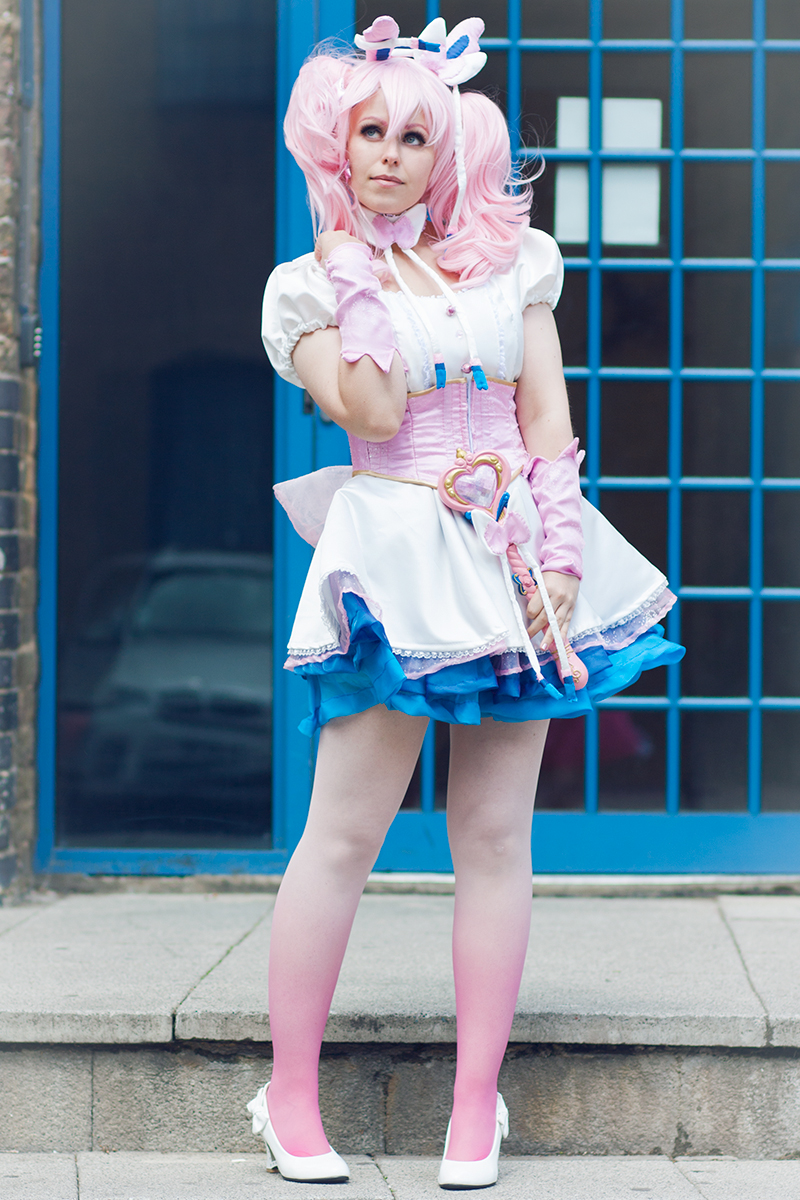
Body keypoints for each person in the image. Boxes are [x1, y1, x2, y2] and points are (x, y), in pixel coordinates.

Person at [249, 14, 684, 1190]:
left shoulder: (512, 262)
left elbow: (544, 419)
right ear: (334, 146)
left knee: (493, 836)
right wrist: (354, 272)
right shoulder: (303, 291)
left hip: (514, 557)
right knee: (344, 833)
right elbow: (375, 413)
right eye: (369, 133)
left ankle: (472, 1106)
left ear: (446, 150)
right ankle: (287, 1097)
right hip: (394, 553)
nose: (390, 155)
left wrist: (556, 557)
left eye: (412, 136)